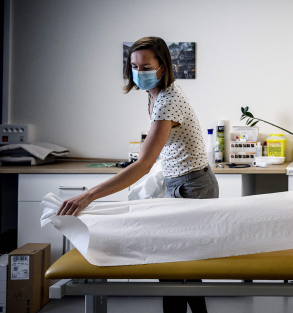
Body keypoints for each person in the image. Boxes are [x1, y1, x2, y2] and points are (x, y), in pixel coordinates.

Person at [56, 36, 218, 313]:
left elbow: (143, 164)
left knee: (176, 263)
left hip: (192, 186)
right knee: (176, 265)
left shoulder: (168, 100)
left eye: (145, 66)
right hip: (180, 182)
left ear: (163, 67)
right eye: (134, 66)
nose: (138, 72)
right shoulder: (153, 94)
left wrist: (89, 196)